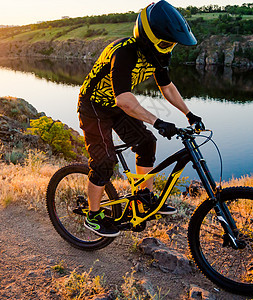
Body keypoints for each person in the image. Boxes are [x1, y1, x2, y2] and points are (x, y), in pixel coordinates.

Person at [77, 0, 204, 237]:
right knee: (104, 160)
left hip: (116, 106)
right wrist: (157, 121)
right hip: (93, 106)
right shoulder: (124, 52)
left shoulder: (158, 55)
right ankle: (93, 216)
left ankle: (143, 197)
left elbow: (166, 87)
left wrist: (189, 114)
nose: (169, 47)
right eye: (167, 42)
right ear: (149, 36)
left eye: (172, 44)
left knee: (146, 142)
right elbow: (124, 99)